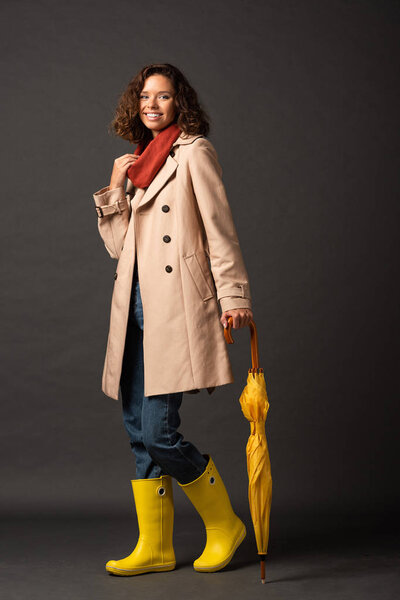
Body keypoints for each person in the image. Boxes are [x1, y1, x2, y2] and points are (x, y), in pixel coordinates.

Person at [92, 63, 254, 576]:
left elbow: (219, 231)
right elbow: (121, 249)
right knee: (139, 433)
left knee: (161, 433)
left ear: (178, 102)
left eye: (162, 97)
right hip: (137, 311)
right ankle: (156, 548)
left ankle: (225, 524)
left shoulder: (194, 153)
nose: (152, 105)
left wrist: (234, 296)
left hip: (177, 309)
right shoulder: (139, 162)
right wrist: (115, 185)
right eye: (145, 96)